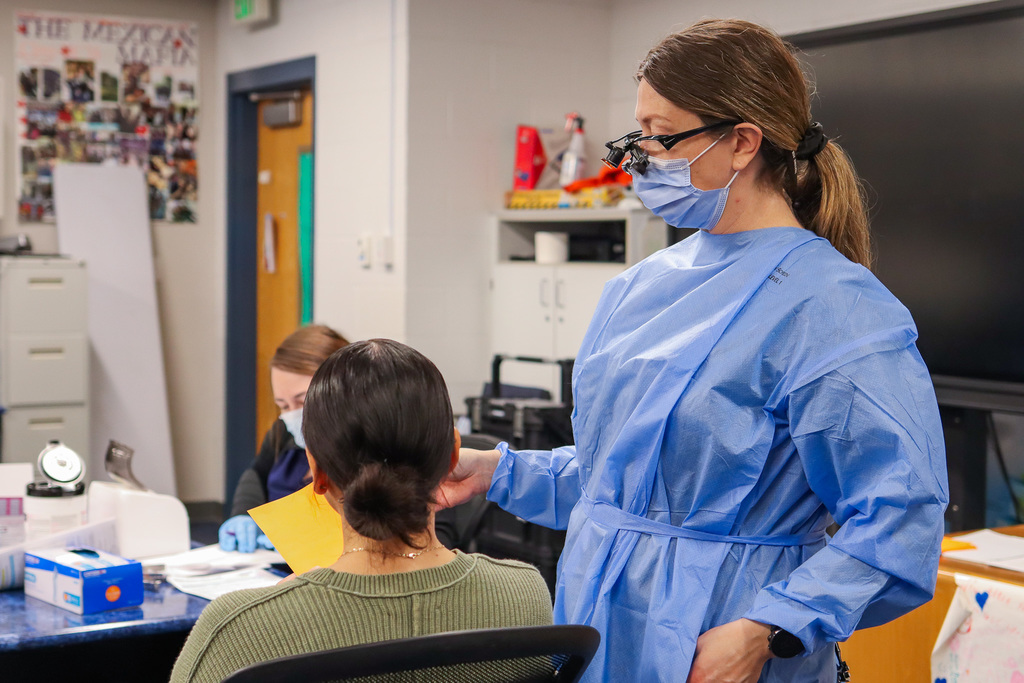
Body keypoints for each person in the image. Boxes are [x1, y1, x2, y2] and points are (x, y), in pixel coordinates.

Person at [440, 19, 948, 683]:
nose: (639, 157)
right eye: (638, 134)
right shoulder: (640, 288)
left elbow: (899, 515)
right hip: (598, 633)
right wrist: (496, 471)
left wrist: (770, 629)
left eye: (661, 135)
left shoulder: (837, 310)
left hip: (724, 649)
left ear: (742, 142)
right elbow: (622, 488)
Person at [172, 339, 553, 683]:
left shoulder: (239, 632)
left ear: (316, 474)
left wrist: (277, 609)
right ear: (453, 454)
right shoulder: (526, 595)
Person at [219, 324, 348, 553]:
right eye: (283, 405)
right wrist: (244, 515)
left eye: (302, 401)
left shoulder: (371, 447)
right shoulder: (283, 431)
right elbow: (256, 474)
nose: (293, 415)